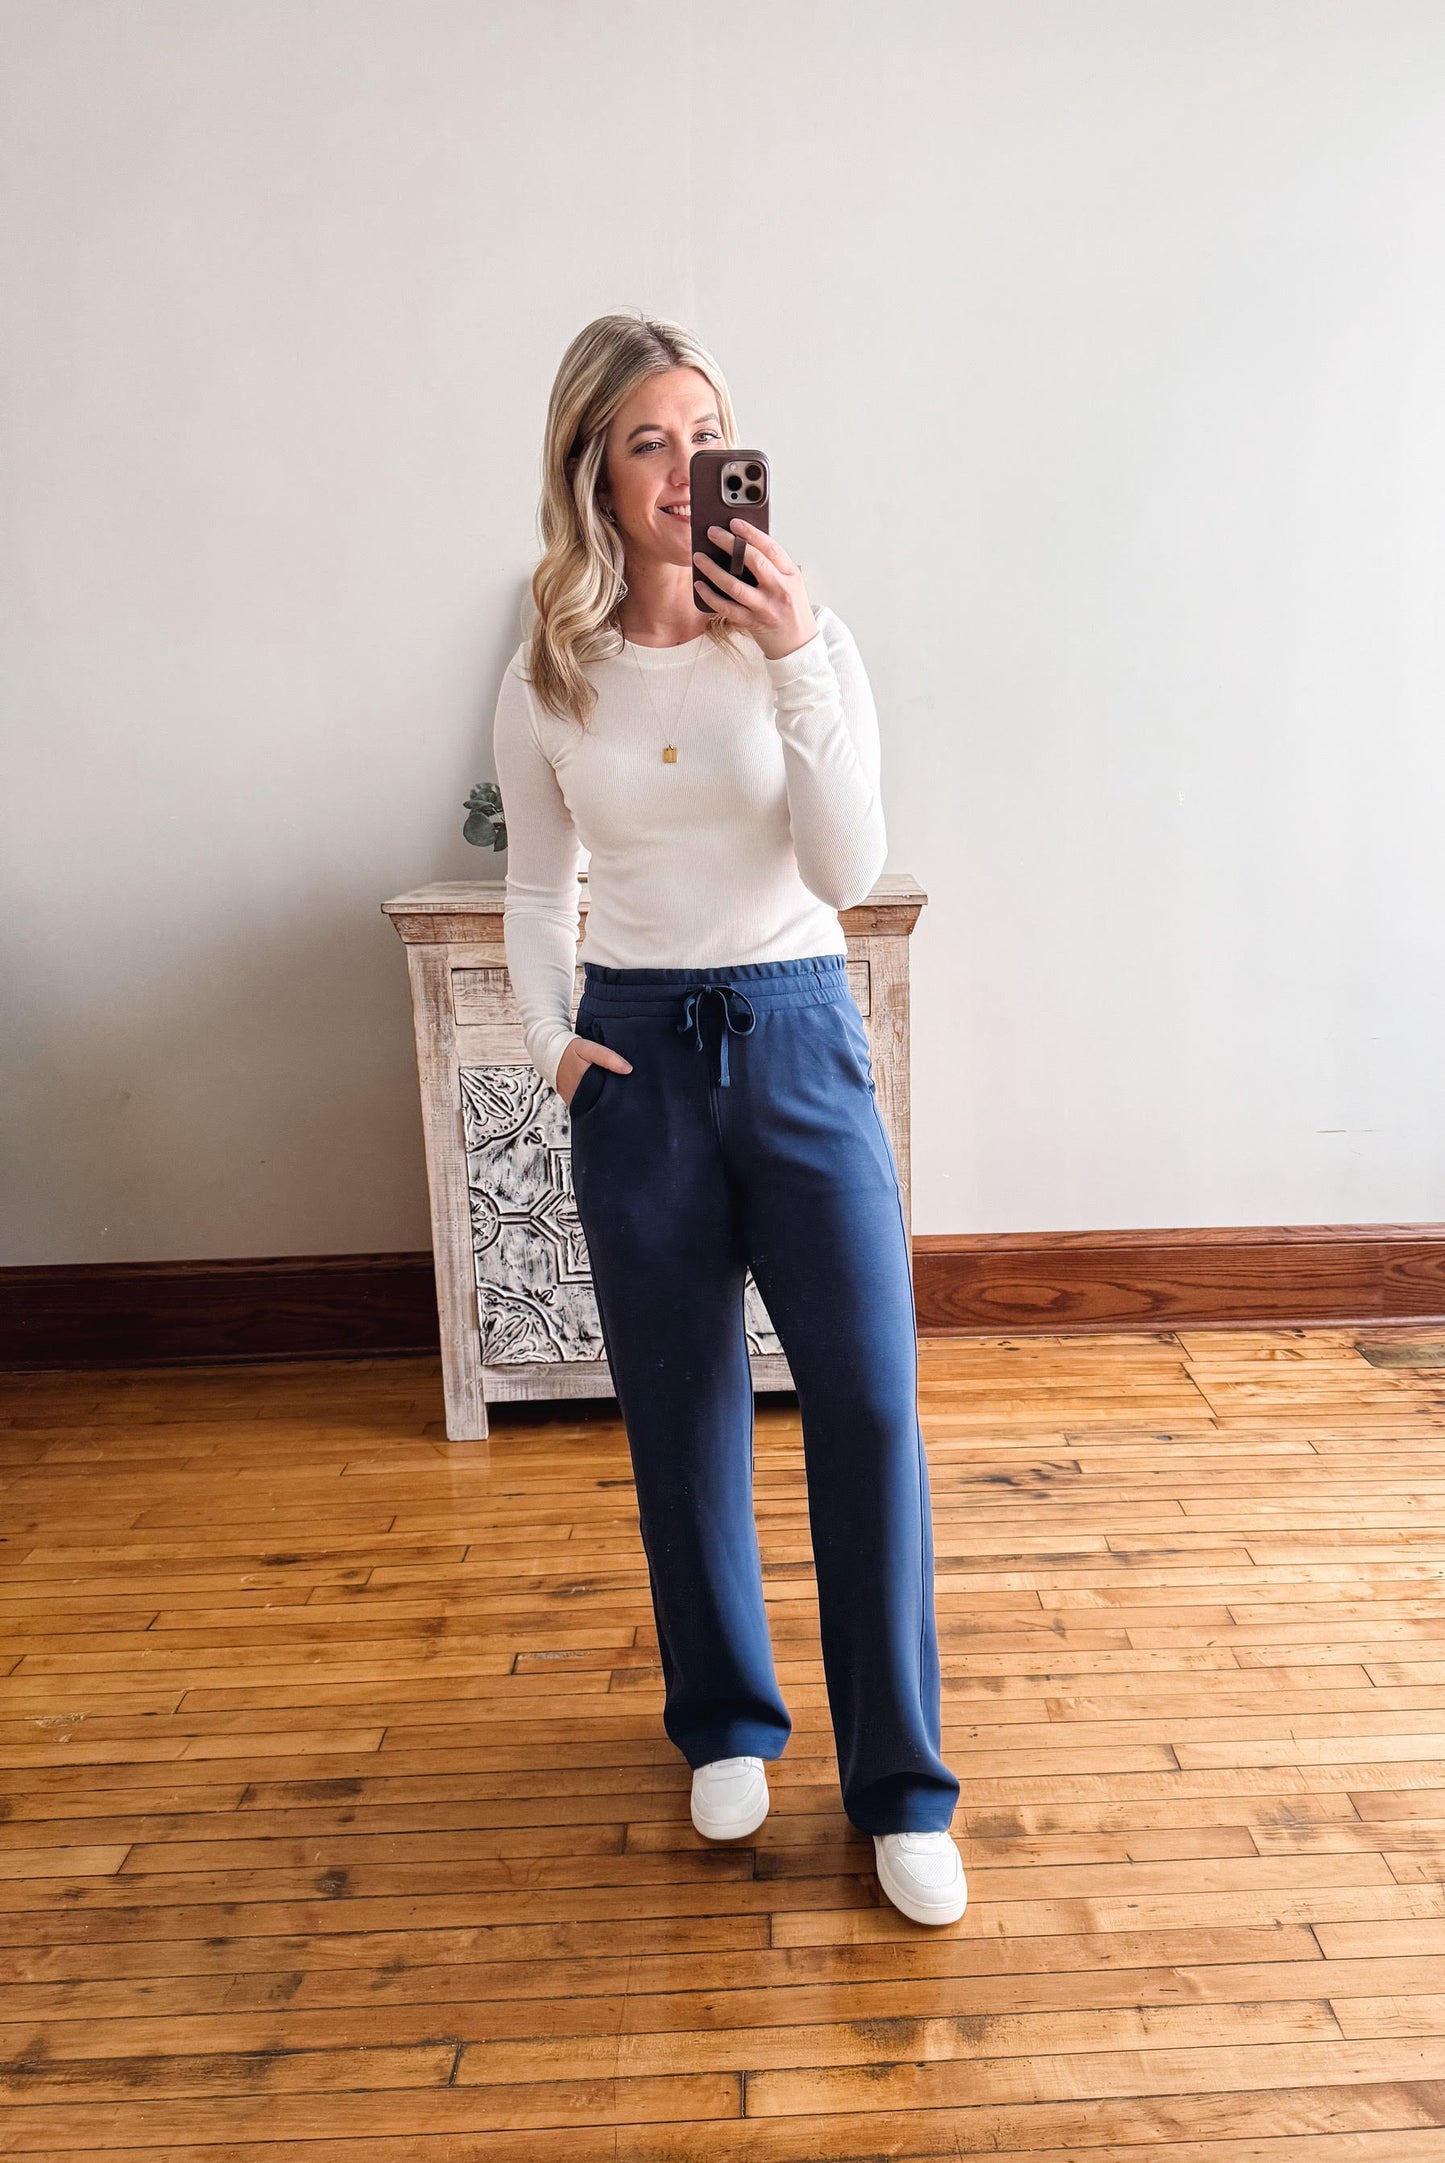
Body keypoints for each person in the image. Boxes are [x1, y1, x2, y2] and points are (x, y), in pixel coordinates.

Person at [491, 311, 965, 1927]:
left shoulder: (808, 639)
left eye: (706, 433)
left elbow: (844, 869)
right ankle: (724, 1722)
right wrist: (555, 1039)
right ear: (595, 477)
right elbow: (533, 883)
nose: (687, 467)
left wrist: (792, 655)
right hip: (635, 1056)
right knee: (681, 1412)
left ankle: (900, 1784)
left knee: (871, 1413)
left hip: (795, 1031)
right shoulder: (553, 667)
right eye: (648, 440)